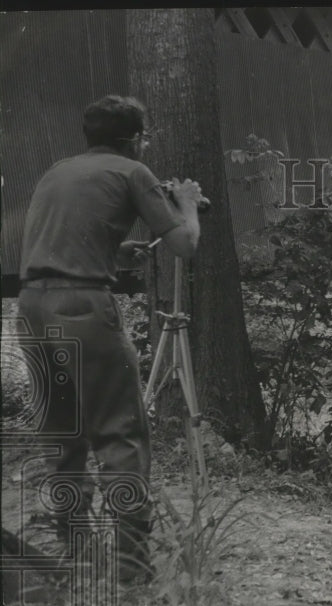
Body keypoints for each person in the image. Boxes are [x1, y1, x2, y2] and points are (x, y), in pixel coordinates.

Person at [17, 94, 203, 583]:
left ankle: (73, 550)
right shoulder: (132, 172)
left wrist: (116, 252)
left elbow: (57, 242)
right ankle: (130, 565)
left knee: (63, 432)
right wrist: (185, 205)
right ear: (135, 138)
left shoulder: (58, 170)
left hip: (31, 307)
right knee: (120, 434)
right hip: (82, 308)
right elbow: (184, 244)